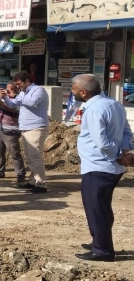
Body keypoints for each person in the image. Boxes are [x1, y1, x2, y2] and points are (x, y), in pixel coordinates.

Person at [71, 74, 134, 262]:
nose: (72, 93)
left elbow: (102, 142)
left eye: (73, 90)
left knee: (96, 208)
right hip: (109, 167)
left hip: (99, 166)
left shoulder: (94, 110)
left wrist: (118, 154)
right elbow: (126, 131)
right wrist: (124, 151)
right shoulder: (113, 104)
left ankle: (103, 250)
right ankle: (98, 241)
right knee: (101, 208)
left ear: (83, 92)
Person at [0, 71, 50, 193]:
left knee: (35, 156)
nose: (18, 87)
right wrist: (5, 98)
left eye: (19, 84)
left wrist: (19, 96)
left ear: (27, 81)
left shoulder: (38, 90)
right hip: (25, 128)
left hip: (36, 127)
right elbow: (12, 105)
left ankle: (41, 184)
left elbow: (32, 102)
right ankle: (33, 181)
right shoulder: (23, 93)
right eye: (16, 84)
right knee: (29, 157)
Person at [0, 83, 26, 181]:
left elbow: (12, 109)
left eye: (10, 89)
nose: (8, 91)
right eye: (7, 89)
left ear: (16, 89)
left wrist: (0, 101)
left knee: (15, 153)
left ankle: (20, 174)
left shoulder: (19, 100)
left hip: (10, 130)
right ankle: (0, 171)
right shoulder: (2, 97)